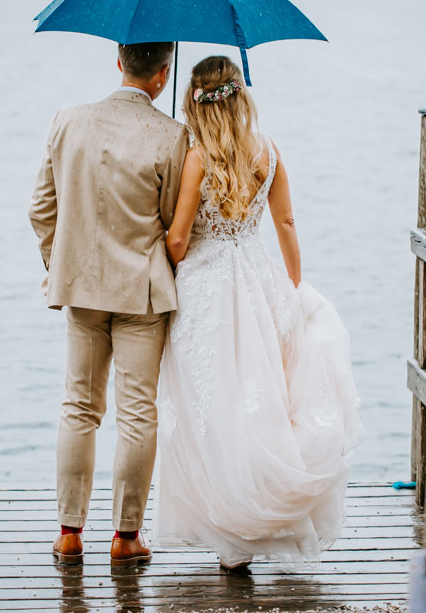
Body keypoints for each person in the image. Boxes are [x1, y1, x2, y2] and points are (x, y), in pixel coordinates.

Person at [153, 55, 365, 570]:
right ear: (240, 96)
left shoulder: (199, 157)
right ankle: (258, 519)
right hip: (258, 279)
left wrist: (166, 250)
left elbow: (179, 238)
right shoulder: (267, 152)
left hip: (206, 290)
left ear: (195, 103)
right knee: (261, 399)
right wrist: (293, 288)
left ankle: (233, 531)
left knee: (214, 406)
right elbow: (286, 223)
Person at [28, 42, 188, 568]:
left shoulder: (67, 121)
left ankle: (70, 532)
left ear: (119, 62)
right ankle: (125, 537)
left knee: (79, 407)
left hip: (80, 288)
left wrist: (61, 264)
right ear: (163, 75)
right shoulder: (172, 135)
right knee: (138, 414)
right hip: (141, 292)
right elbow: (171, 225)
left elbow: (41, 209)